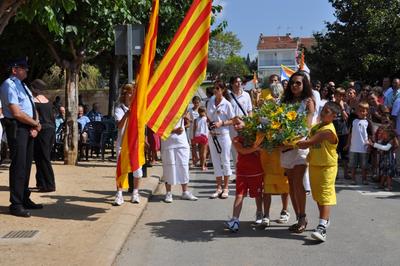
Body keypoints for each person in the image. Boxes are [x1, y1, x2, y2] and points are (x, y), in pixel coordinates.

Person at [0, 58, 43, 217]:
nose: (27, 70)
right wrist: (34, 123)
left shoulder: (23, 85)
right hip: (17, 128)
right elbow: (16, 112)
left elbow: (32, 106)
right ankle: (16, 204)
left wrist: (35, 124)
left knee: (26, 165)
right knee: (18, 166)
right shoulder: (9, 85)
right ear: (14, 69)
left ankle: (24, 197)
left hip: (28, 127)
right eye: (23, 68)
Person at [296, 101, 341, 242]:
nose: (322, 113)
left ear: (333, 116)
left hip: (327, 167)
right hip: (315, 164)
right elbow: (307, 131)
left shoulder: (328, 131)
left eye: (326, 112)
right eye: (322, 110)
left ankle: (322, 228)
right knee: (318, 196)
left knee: (326, 195)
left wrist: (289, 142)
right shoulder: (318, 126)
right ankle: (324, 220)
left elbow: (307, 143)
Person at [280, 70, 316, 233]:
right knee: (291, 185)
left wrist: (294, 141)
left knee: (298, 182)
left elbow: (307, 127)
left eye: (298, 83)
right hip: (285, 147)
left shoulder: (308, 101)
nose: (294, 85)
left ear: (304, 85)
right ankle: (298, 217)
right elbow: (278, 122)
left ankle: (302, 217)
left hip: (300, 146)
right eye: (293, 82)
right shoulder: (285, 102)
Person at [225, 127, 264, 232]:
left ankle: (259, 213)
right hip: (242, 171)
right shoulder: (236, 139)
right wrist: (256, 148)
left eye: (238, 123)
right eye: (234, 124)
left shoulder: (257, 136)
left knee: (258, 195)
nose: (236, 126)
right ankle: (235, 219)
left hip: (256, 170)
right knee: (239, 194)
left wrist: (257, 145)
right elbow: (242, 151)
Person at [114, 84, 142, 205]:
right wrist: (127, 114)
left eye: (133, 93)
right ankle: (119, 194)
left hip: (135, 144)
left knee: (137, 170)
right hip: (122, 144)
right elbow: (119, 126)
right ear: (124, 95)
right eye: (129, 93)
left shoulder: (139, 109)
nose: (131, 95)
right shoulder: (119, 109)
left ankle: (135, 193)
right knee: (121, 169)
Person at [207, 80, 234, 199]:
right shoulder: (210, 102)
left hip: (223, 135)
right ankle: (218, 187)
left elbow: (233, 120)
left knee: (225, 161)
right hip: (212, 135)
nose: (215, 90)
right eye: (214, 88)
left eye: (218, 88)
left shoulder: (227, 104)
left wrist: (222, 123)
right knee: (216, 162)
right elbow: (208, 117)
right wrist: (210, 124)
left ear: (222, 90)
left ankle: (226, 187)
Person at [162, 117, 198, 203]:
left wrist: (187, 118)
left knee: (184, 167)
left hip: (182, 142)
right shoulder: (161, 108)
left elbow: (188, 118)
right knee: (168, 168)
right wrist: (174, 131)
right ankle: (168, 193)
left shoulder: (180, 107)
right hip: (168, 143)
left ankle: (185, 192)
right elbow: (158, 128)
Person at [31, 79, 56, 192]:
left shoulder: (35, 101)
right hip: (50, 130)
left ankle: (50, 184)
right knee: (41, 156)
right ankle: (41, 182)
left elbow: (35, 117)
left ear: (35, 89)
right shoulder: (48, 102)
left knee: (43, 157)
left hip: (42, 131)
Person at [345, 102, 372, 185]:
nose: (362, 112)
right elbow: (350, 134)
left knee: (364, 166)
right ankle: (353, 179)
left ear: (367, 111)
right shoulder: (354, 121)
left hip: (363, 148)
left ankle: (364, 179)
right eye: (360, 110)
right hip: (354, 148)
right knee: (353, 165)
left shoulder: (368, 122)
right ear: (357, 111)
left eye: (364, 111)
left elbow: (370, 135)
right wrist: (348, 144)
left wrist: (369, 145)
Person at [370, 126, 398, 191]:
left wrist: (374, 144)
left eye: (384, 133)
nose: (383, 134)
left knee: (388, 174)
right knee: (383, 173)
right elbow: (381, 149)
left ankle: (389, 186)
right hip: (384, 159)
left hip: (389, 160)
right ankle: (381, 185)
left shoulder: (391, 141)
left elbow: (385, 148)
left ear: (388, 134)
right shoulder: (384, 140)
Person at [333, 88, 350, 180]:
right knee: (334, 154)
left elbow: (347, 118)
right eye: (338, 95)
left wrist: (342, 108)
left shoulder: (346, 106)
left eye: (342, 95)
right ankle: (335, 174)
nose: (340, 97)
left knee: (345, 155)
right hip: (333, 133)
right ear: (335, 95)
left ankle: (346, 173)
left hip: (344, 133)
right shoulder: (331, 105)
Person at [192, 106, 209, 171]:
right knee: (204, 152)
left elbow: (194, 129)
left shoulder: (196, 120)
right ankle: (203, 166)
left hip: (197, 136)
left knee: (200, 151)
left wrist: (194, 137)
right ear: (205, 112)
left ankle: (201, 163)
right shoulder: (207, 119)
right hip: (204, 136)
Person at [187, 96, 201, 166]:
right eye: (195, 103)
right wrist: (189, 120)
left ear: (199, 103)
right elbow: (186, 116)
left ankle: (201, 160)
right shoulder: (190, 110)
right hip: (192, 129)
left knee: (201, 145)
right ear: (193, 103)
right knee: (193, 145)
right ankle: (194, 160)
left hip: (200, 130)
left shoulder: (201, 110)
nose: (196, 104)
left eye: (197, 103)